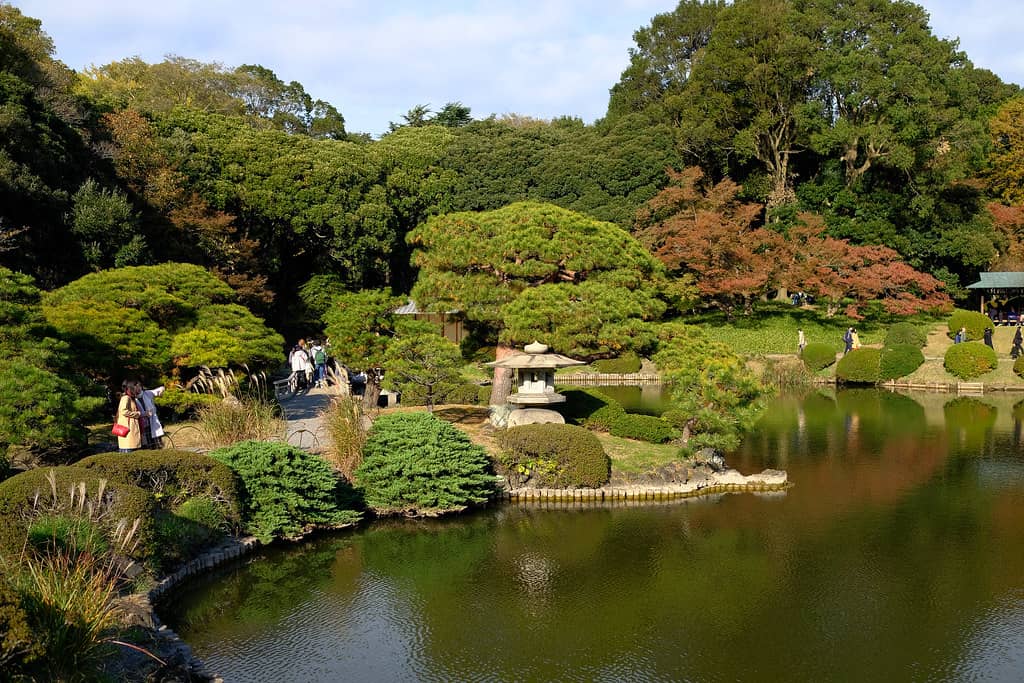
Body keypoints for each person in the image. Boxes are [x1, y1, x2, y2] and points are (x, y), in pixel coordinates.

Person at [115, 380, 143, 453]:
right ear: (131, 387)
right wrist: (138, 414)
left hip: (131, 430)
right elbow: (123, 411)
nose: (139, 388)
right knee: (129, 454)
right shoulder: (126, 398)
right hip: (128, 431)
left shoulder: (131, 398)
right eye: (136, 386)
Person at [135, 382, 166, 449]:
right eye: (136, 387)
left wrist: (161, 391)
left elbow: (161, 388)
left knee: (156, 441)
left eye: (139, 386)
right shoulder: (133, 398)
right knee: (147, 442)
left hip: (152, 420)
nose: (138, 388)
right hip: (142, 422)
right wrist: (144, 414)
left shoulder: (147, 393)